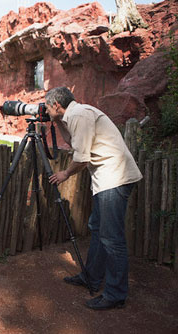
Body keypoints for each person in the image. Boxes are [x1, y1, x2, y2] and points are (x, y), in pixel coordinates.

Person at [45, 87, 142, 310]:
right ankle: (91, 277)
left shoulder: (79, 115)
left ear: (57, 105)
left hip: (115, 178)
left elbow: (81, 158)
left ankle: (116, 295)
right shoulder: (73, 116)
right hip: (107, 179)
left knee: (112, 239)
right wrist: (57, 122)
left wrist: (65, 173)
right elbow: (74, 143)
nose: (46, 110)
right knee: (97, 228)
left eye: (48, 106)